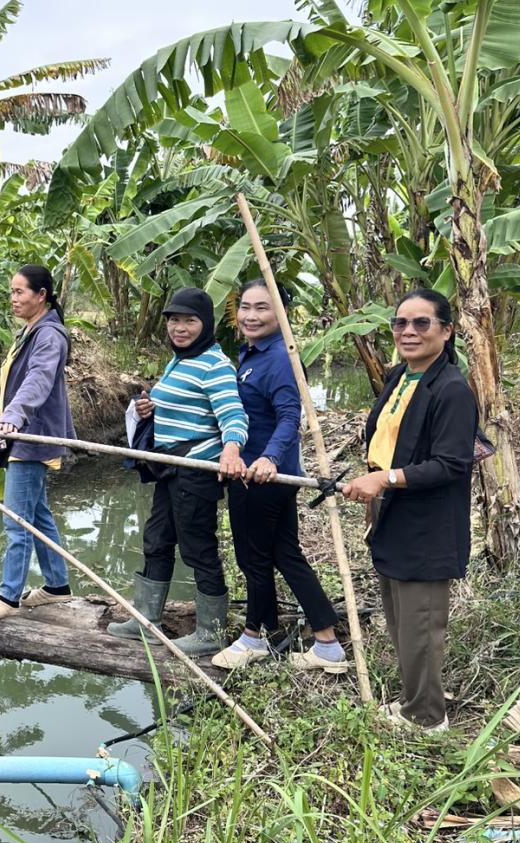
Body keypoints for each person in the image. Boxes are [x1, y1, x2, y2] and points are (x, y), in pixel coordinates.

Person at [342, 289, 476, 733]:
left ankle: (426, 718)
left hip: (428, 524)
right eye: (401, 323)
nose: (409, 332)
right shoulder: (401, 376)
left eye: (422, 323)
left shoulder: (452, 388)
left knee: (420, 624)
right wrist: (374, 484)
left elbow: (452, 463)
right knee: (399, 617)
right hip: (392, 513)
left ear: (446, 331)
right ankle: (410, 702)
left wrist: (385, 479)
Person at [210, 279, 347, 672]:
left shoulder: (280, 358)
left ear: (281, 315)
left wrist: (269, 458)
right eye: (246, 307)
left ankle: (254, 637)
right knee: (284, 554)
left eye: (262, 308)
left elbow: (290, 416)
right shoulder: (251, 354)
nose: (251, 316)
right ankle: (325, 642)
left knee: (254, 558)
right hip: (257, 474)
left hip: (263, 477)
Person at [107, 287, 247, 654]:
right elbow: (185, 405)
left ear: (206, 324)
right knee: (156, 540)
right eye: (173, 320)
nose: (179, 328)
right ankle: (147, 621)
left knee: (198, 547)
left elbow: (233, 414)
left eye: (189, 320)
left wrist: (231, 448)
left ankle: (210, 633)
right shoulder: (180, 361)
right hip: (171, 468)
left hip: (196, 470)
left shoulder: (215, 365)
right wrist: (149, 410)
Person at [0, 265, 76, 621]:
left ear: (41, 295)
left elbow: (38, 379)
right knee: (37, 515)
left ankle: (9, 595)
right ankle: (57, 586)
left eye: (20, 292)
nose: (13, 299)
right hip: (21, 434)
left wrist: (14, 417)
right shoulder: (31, 331)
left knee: (16, 521)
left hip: (30, 436)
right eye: (11, 292)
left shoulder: (50, 335)